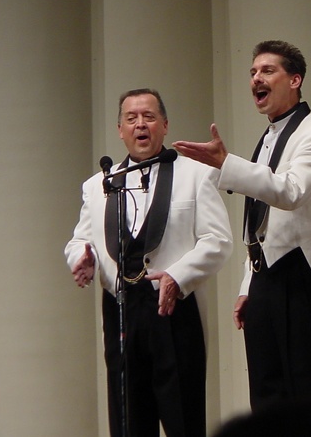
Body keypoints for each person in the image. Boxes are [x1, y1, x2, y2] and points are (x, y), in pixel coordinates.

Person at [173, 40, 311, 411]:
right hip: (266, 278)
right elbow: (260, 224)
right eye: (253, 72)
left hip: (303, 278)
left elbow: (291, 192)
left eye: (267, 70)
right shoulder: (268, 137)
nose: (256, 78)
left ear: (295, 80)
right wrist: (248, 285)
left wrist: (227, 164)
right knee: (267, 397)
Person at [65, 88, 234, 437]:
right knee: (128, 420)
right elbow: (81, 240)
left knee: (182, 418)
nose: (140, 124)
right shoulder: (99, 185)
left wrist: (178, 275)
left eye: (149, 117)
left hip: (174, 310)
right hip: (121, 311)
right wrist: (83, 258)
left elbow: (218, 240)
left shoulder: (195, 174)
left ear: (165, 125)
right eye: (131, 118)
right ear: (120, 130)